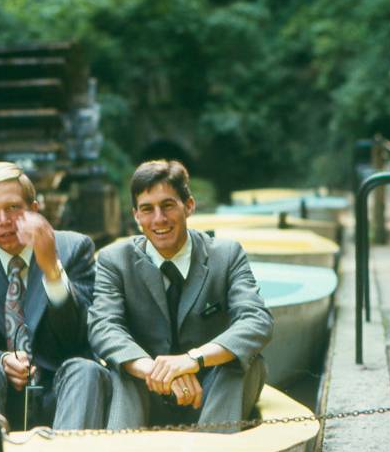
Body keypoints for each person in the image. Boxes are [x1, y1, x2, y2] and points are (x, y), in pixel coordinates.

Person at [88, 159, 272, 430]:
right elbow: (104, 327)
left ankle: (213, 448)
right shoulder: (114, 260)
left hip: (212, 393)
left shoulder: (226, 254)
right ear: (136, 216)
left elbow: (257, 321)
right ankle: (124, 450)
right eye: (147, 209)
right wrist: (158, 371)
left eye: (168, 205)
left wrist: (192, 361)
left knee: (244, 361)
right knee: (123, 366)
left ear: (189, 206)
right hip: (147, 390)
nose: (159, 219)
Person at [0, 162, 110, 432]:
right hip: (1, 391)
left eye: (13, 207)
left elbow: (79, 337)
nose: (4, 220)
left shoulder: (74, 248)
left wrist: (52, 270)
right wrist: (3, 359)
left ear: (34, 210)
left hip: (64, 390)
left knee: (86, 369)